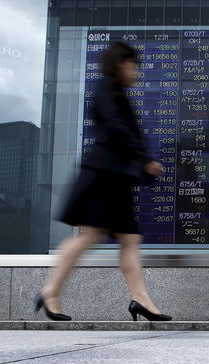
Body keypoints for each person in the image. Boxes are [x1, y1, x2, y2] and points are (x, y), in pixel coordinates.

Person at [35, 42, 171, 322]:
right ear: (120, 64)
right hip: (105, 175)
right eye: (133, 65)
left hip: (115, 177)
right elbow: (117, 128)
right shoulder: (108, 88)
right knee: (92, 236)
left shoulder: (113, 91)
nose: (136, 72)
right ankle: (50, 291)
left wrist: (141, 160)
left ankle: (140, 299)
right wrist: (144, 158)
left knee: (128, 238)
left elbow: (121, 130)